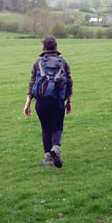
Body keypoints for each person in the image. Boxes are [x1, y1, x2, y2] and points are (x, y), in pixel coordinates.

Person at [23, 36, 73, 167]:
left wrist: (27, 104)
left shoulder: (37, 63)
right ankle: (56, 147)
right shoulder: (64, 63)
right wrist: (69, 101)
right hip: (57, 101)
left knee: (45, 128)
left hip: (41, 102)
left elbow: (32, 83)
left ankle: (48, 159)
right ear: (56, 47)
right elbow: (69, 83)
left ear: (44, 48)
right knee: (57, 127)